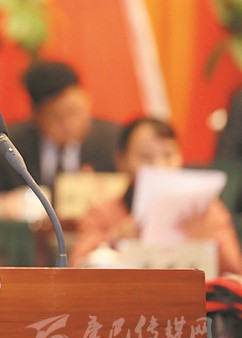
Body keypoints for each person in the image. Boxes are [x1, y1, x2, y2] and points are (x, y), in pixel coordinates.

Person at [71, 117, 242, 275]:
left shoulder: (205, 209)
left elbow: (236, 270)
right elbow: (74, 269)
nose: (159, 166)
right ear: (121, 160)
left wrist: (208, 240)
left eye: (168, 155)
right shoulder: (103, 212)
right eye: (146, 157)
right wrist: (114, 238)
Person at [0, 60, 121, 214]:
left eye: (74, 111)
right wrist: (1, 205)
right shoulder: (7, 145)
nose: (69, 124)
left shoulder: (112, 140)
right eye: (57, 117)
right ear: (37, 117)